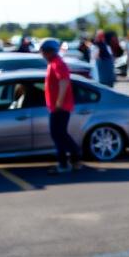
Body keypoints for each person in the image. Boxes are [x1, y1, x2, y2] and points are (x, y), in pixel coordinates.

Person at [39, 38, 82, 175]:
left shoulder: (57, 63)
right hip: (57, 106)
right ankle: (74, 159)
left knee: (57, 135)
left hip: (60, 107)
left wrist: (59, 102)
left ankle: (65, 163)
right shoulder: (53, 63)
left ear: (49, 51)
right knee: (60, 134)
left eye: (43, 52)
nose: (42, 54)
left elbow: (63, 82)